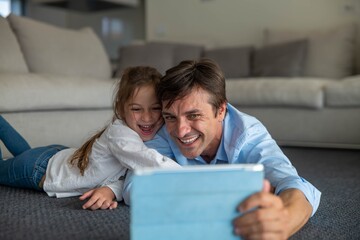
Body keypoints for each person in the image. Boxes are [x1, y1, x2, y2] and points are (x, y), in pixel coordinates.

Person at [123, 59, 321, 239]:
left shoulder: (249, 135)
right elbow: (135, 185)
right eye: (171, 117)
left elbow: (295, 185)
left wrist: (283, 222)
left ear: (221, 111)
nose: (181, 131)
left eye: (193, 116)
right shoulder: (164, 131)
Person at [0, 66, 180, 211]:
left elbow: (127, 175)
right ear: (121, 108)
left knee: (24, 153)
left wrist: (111, 191)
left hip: (58, 155)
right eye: (136, 109)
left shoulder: (146, 132)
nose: (147, 118)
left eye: (155, 108)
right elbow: (149, 162)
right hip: (38, 169)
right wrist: (192, 178)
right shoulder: (121, 134)